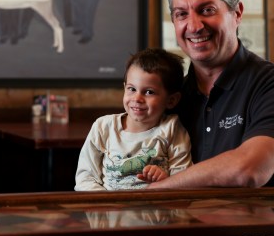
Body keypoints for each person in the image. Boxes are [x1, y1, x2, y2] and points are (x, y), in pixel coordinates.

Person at [147, 0, 274, 189]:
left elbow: (249, 170)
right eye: (181, 14)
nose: (194, 26)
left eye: (207, 10)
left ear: (237, 13)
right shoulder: (174, 98)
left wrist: (153, 192)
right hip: (185, 224)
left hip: (264, 225)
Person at [75, 48, 192, 191]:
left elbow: (184, 181)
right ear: (124, 88)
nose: (137, 98)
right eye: (132, 89)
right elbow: (85, 178)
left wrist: (164, 180)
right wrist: (106, 205)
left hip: (156, 210)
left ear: (171, 100)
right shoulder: (103, 127)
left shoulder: (172, 129)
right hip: (109, 210)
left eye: (149, 92)